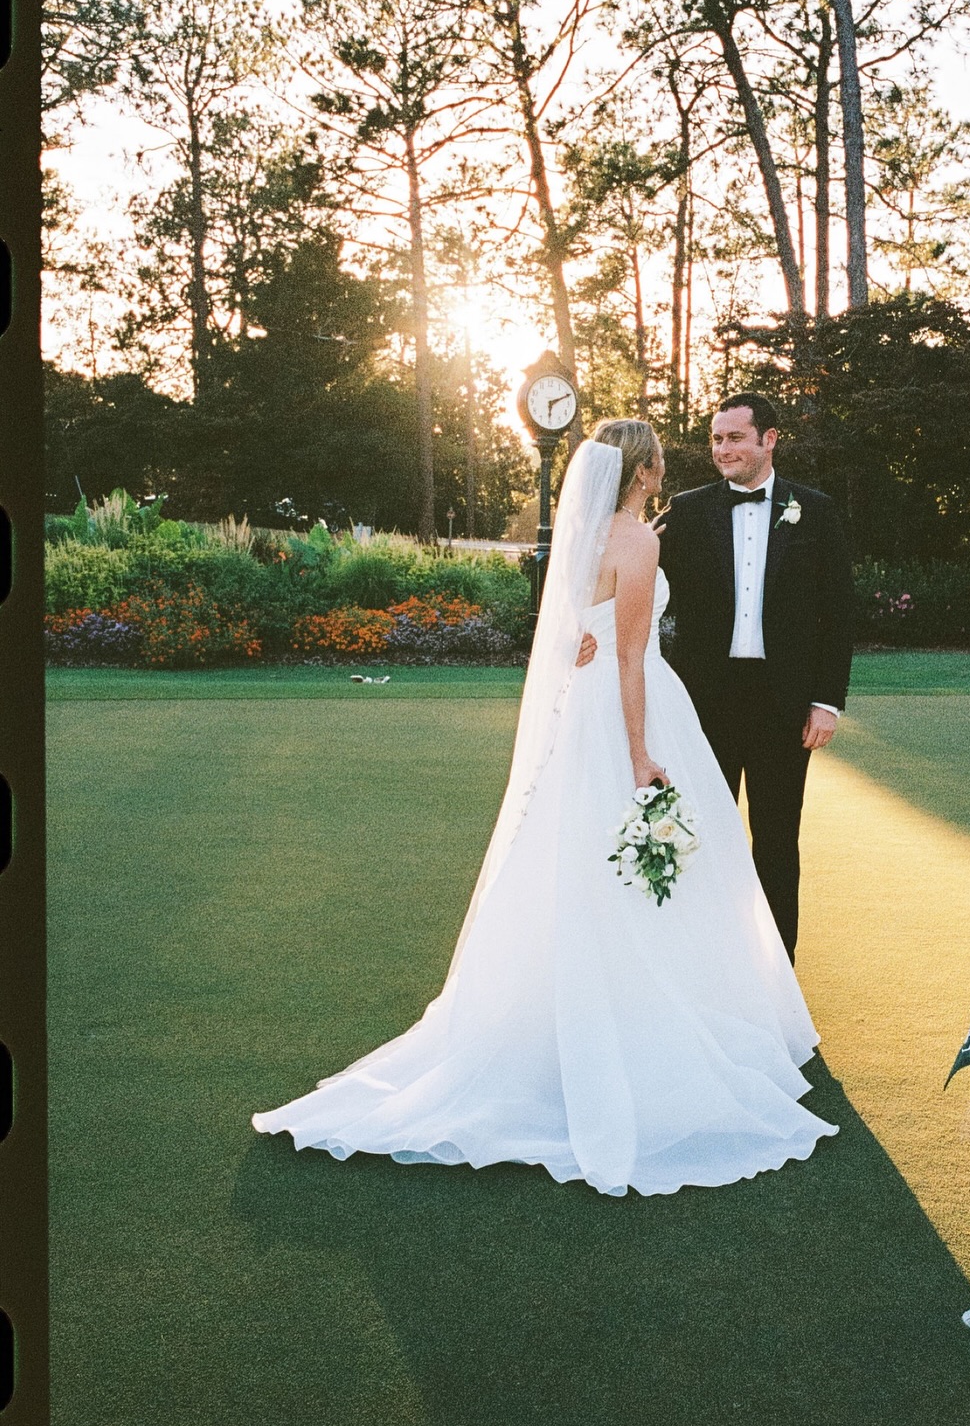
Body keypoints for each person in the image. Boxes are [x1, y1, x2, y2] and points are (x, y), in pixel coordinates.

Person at [252, 420, 837, 1197]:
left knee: (576, 860)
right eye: (662, 452)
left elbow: (573, 632)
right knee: (657, 865)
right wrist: (640, 754)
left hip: (581, 712)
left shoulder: (588, 535)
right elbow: (631, 655)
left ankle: (579, 1017)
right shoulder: (638, 543)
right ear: (645, 468)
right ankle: (652, 1025)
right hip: (632, 711)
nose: (675, 460)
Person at [580, 394, 853, 961]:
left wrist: (827, 701)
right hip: (702, 707)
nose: (721, 450)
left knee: (777, 843)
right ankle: (709, 965)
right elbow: (613, 576)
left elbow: (839, 611)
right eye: (715, 439)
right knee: (701, 839)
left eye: (733, 438)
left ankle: (777, 978)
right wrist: (582, 631)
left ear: (768, 439)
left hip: (787, 706)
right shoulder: (685, 510)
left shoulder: (817, 511)